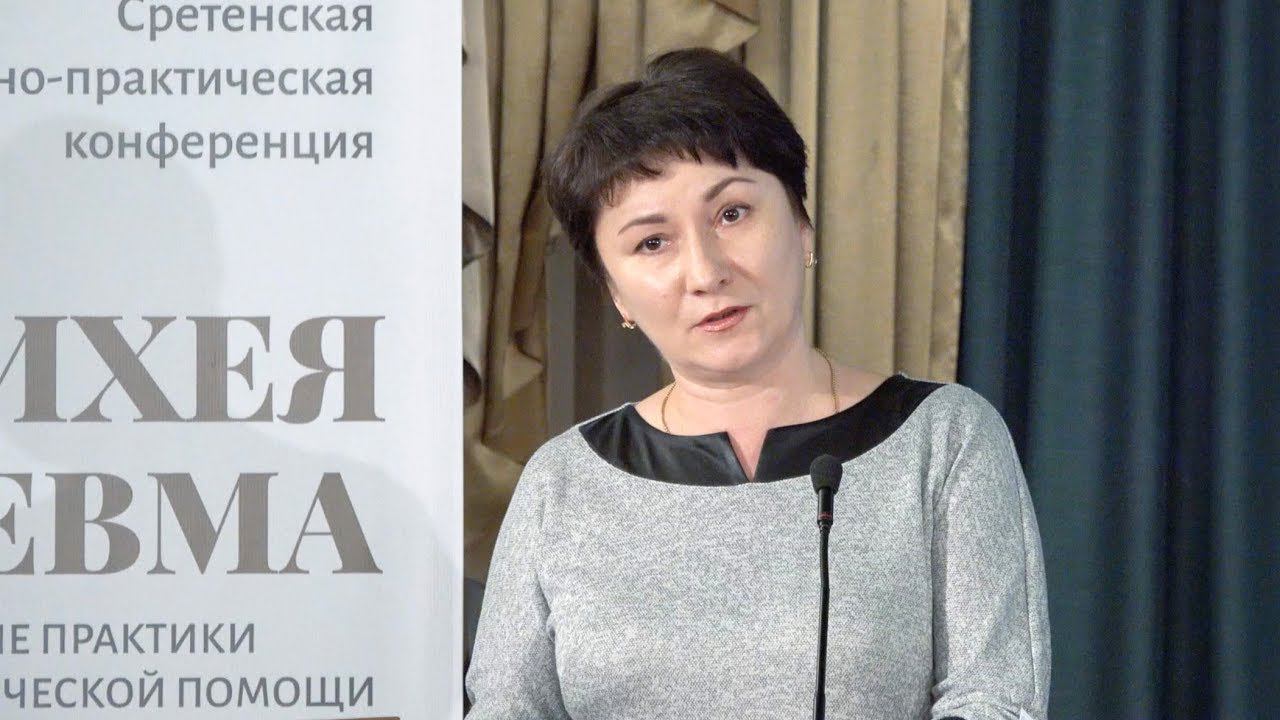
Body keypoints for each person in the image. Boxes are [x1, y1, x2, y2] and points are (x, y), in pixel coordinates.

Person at [465, 47, 1051, 719]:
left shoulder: (943, 440)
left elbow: (995, 700)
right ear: (616, 294)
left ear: (801, 225)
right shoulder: (563, 483)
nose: (705, 271)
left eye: (732, 214)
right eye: (652, 243)